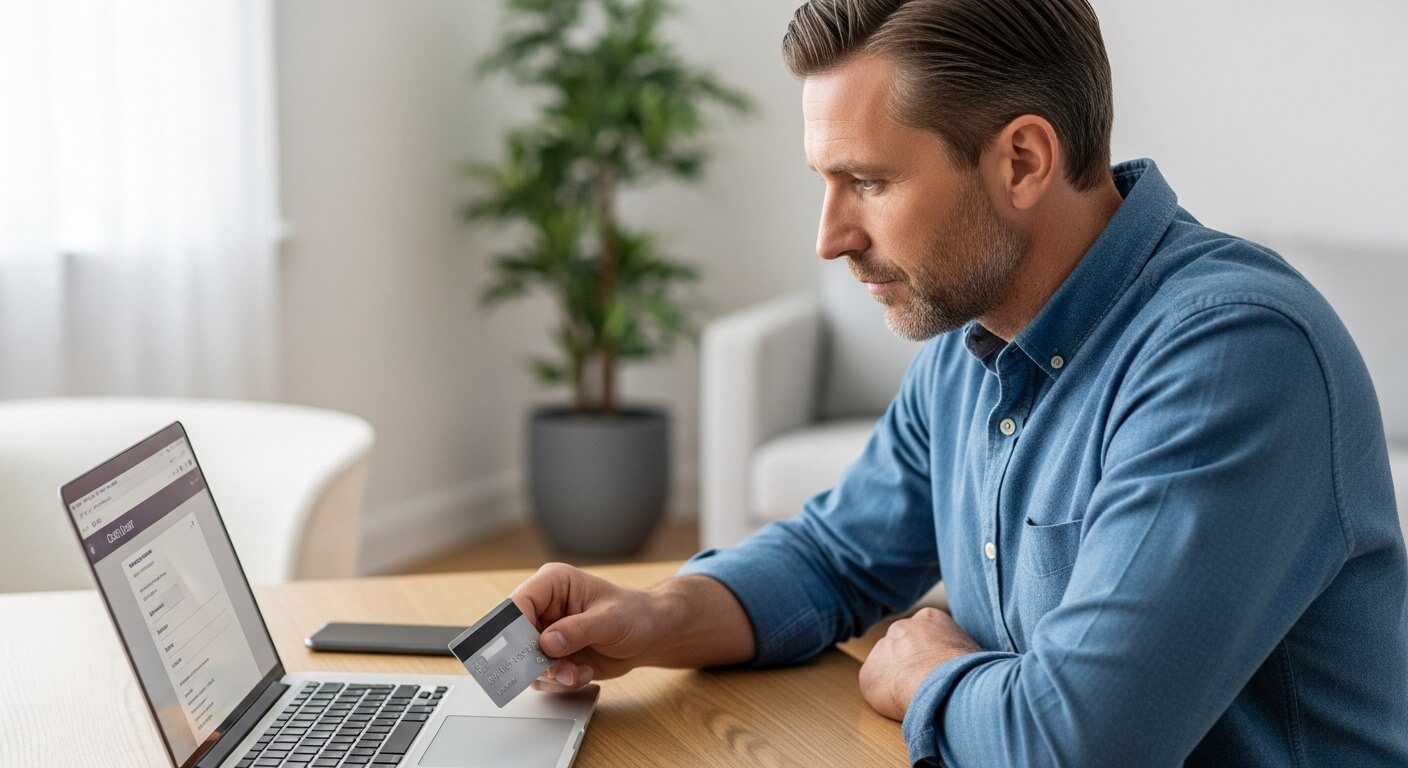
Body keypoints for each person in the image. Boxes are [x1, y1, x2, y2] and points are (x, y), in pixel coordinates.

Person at [511, 1, 1408, 765]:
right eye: (827, 183)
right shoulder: (974, 335)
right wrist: (656, 615)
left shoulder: (1232, 355)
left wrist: (925, 674)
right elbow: (835, 557)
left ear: (1022, 160)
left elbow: (1082, 745)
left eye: (868, 181)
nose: (831, 237)